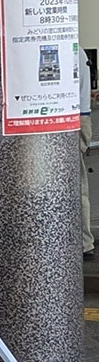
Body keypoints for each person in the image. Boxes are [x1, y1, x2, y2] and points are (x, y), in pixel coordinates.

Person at [81, 47, 94, 260]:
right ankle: (84, 242)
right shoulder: (80, 53)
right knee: (78, 184)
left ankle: (84, 241)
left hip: (71, 120)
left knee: (76, 183)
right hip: (81, 118)